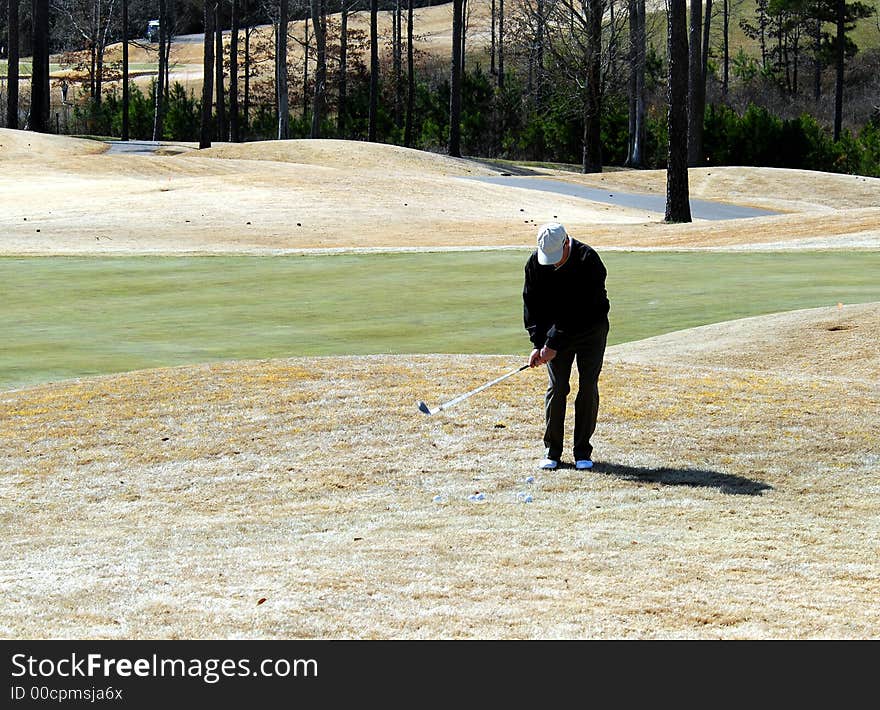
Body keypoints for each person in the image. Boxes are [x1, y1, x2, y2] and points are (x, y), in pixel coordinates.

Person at [523, 222, 610, 471]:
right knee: (557, 386)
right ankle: (552, 450)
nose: (550, 263)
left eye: (555, 257)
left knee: (587, 386)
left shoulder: (588, 260)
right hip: (554, 333)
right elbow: (532, 304)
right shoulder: (535, 264)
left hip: (590, 330)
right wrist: (538, 343)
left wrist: (552, 343)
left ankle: (582, 450)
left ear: (566, 243)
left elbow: (579, 310)